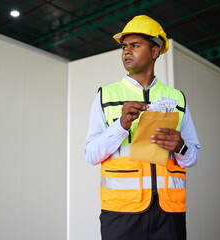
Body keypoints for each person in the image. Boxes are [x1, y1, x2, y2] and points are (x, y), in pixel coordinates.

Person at [84, 15, 200, 240]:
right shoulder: (106, 96)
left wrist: (181, 146)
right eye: (124, 46)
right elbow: (91, 154)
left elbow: (193, 156)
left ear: (155, 51)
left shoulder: (176, 98)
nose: (126, 51)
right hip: (121, 213)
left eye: (135, 45)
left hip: (170, 213)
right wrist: (121, 125)